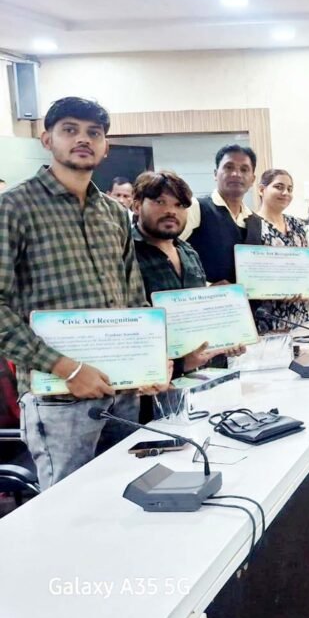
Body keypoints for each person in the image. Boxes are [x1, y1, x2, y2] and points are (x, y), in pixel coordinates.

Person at [0, 97, 166, 489]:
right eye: (70, 130)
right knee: (68, 509)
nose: (83, 139)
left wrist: (151, 360)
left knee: (125, 496)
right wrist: (66, 368)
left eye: (94, 133)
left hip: (121, 391)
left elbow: (133, 297)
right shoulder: (13, 207)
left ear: (105, 147)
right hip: (58, 398)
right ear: (47, 140)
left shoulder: (114, 213)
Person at [131, 170, 245, 378]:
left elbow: (199, 313)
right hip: (152, 383)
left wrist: (226, 339)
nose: (171, 211)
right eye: (160, 202)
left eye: (179, 205)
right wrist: (181, 364)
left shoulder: (188, 251)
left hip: (202, 378)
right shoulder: (125, 253)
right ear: (137, 206)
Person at [245, 169, 309, 332]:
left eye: (289, 189)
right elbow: (249, 274)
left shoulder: (297, 224)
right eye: (279, 187)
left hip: (300, 315)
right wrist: (278, 289)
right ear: (261, 189)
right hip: (268, 317)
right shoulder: (251, 225)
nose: (285, 193)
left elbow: (307, 266)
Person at [180, 144, 256, 283]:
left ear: (252, 180)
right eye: (229, 167)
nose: (236, 174)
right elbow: (169, 251)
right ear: (215, 174)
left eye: (244, 169)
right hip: (203, 296)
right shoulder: (196, 207)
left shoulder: (255, 220)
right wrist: (207, 287)